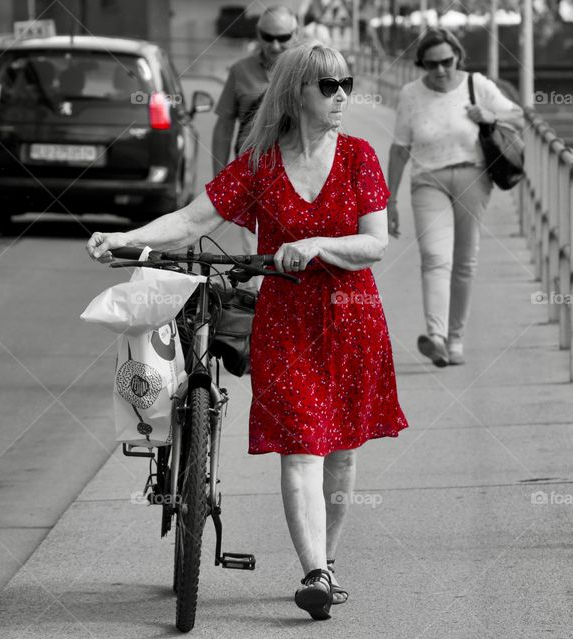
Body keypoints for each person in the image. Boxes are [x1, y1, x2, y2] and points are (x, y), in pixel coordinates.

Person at [86, 43, 409, 622]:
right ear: (295, 93)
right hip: (284, 320)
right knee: (302, 449)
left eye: (345, 84)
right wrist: (125, 237)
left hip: (351, 318)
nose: (341, 95)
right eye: (328, 86)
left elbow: (375, 243)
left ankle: (326, 561)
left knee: (340, 453)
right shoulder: (260, 162)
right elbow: (192, 220)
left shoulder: (360, 156)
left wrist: (315, 245)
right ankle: (313, 572)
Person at [386, 27, 523, 367]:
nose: (440, 70)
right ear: (422, 65)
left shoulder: (477, 85)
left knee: (464, 260)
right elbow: (400, 148)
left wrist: (488, 116)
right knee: (434, 256)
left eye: (446, 62)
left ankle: (456, 338)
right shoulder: (410, 94)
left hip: (472, 176)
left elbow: (518, 116)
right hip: (426, 180)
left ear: (457, 57)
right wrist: (389, 200)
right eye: (431, 65)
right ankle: (436, 337)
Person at [212, 6, 300, 276]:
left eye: (283, 37)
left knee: (294, 254)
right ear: (258, 34)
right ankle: (259, 309)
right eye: (267, 36)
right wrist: (220, 176)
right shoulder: (240, 71)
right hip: (253, 177)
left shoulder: (307, 70)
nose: (275, 45)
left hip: (299, 177)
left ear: (296, 34)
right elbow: (224, 124)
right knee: (255, 257)